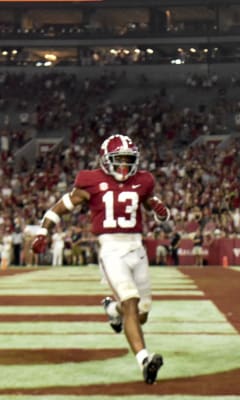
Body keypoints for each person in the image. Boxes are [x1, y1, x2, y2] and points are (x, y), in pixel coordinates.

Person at [31, 134, 168, 384]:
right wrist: (43, 231)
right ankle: (144, 361)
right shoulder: (90, 182)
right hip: (112, 249)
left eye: (128, 160)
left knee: (143, 311)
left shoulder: (143, 181)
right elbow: (57, 209)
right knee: (131, 300)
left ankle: (111, 310)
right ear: (106, 161)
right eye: (119, 160)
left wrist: (161, 212)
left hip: (137, 248)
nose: (124, 167)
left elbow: (154, 208)